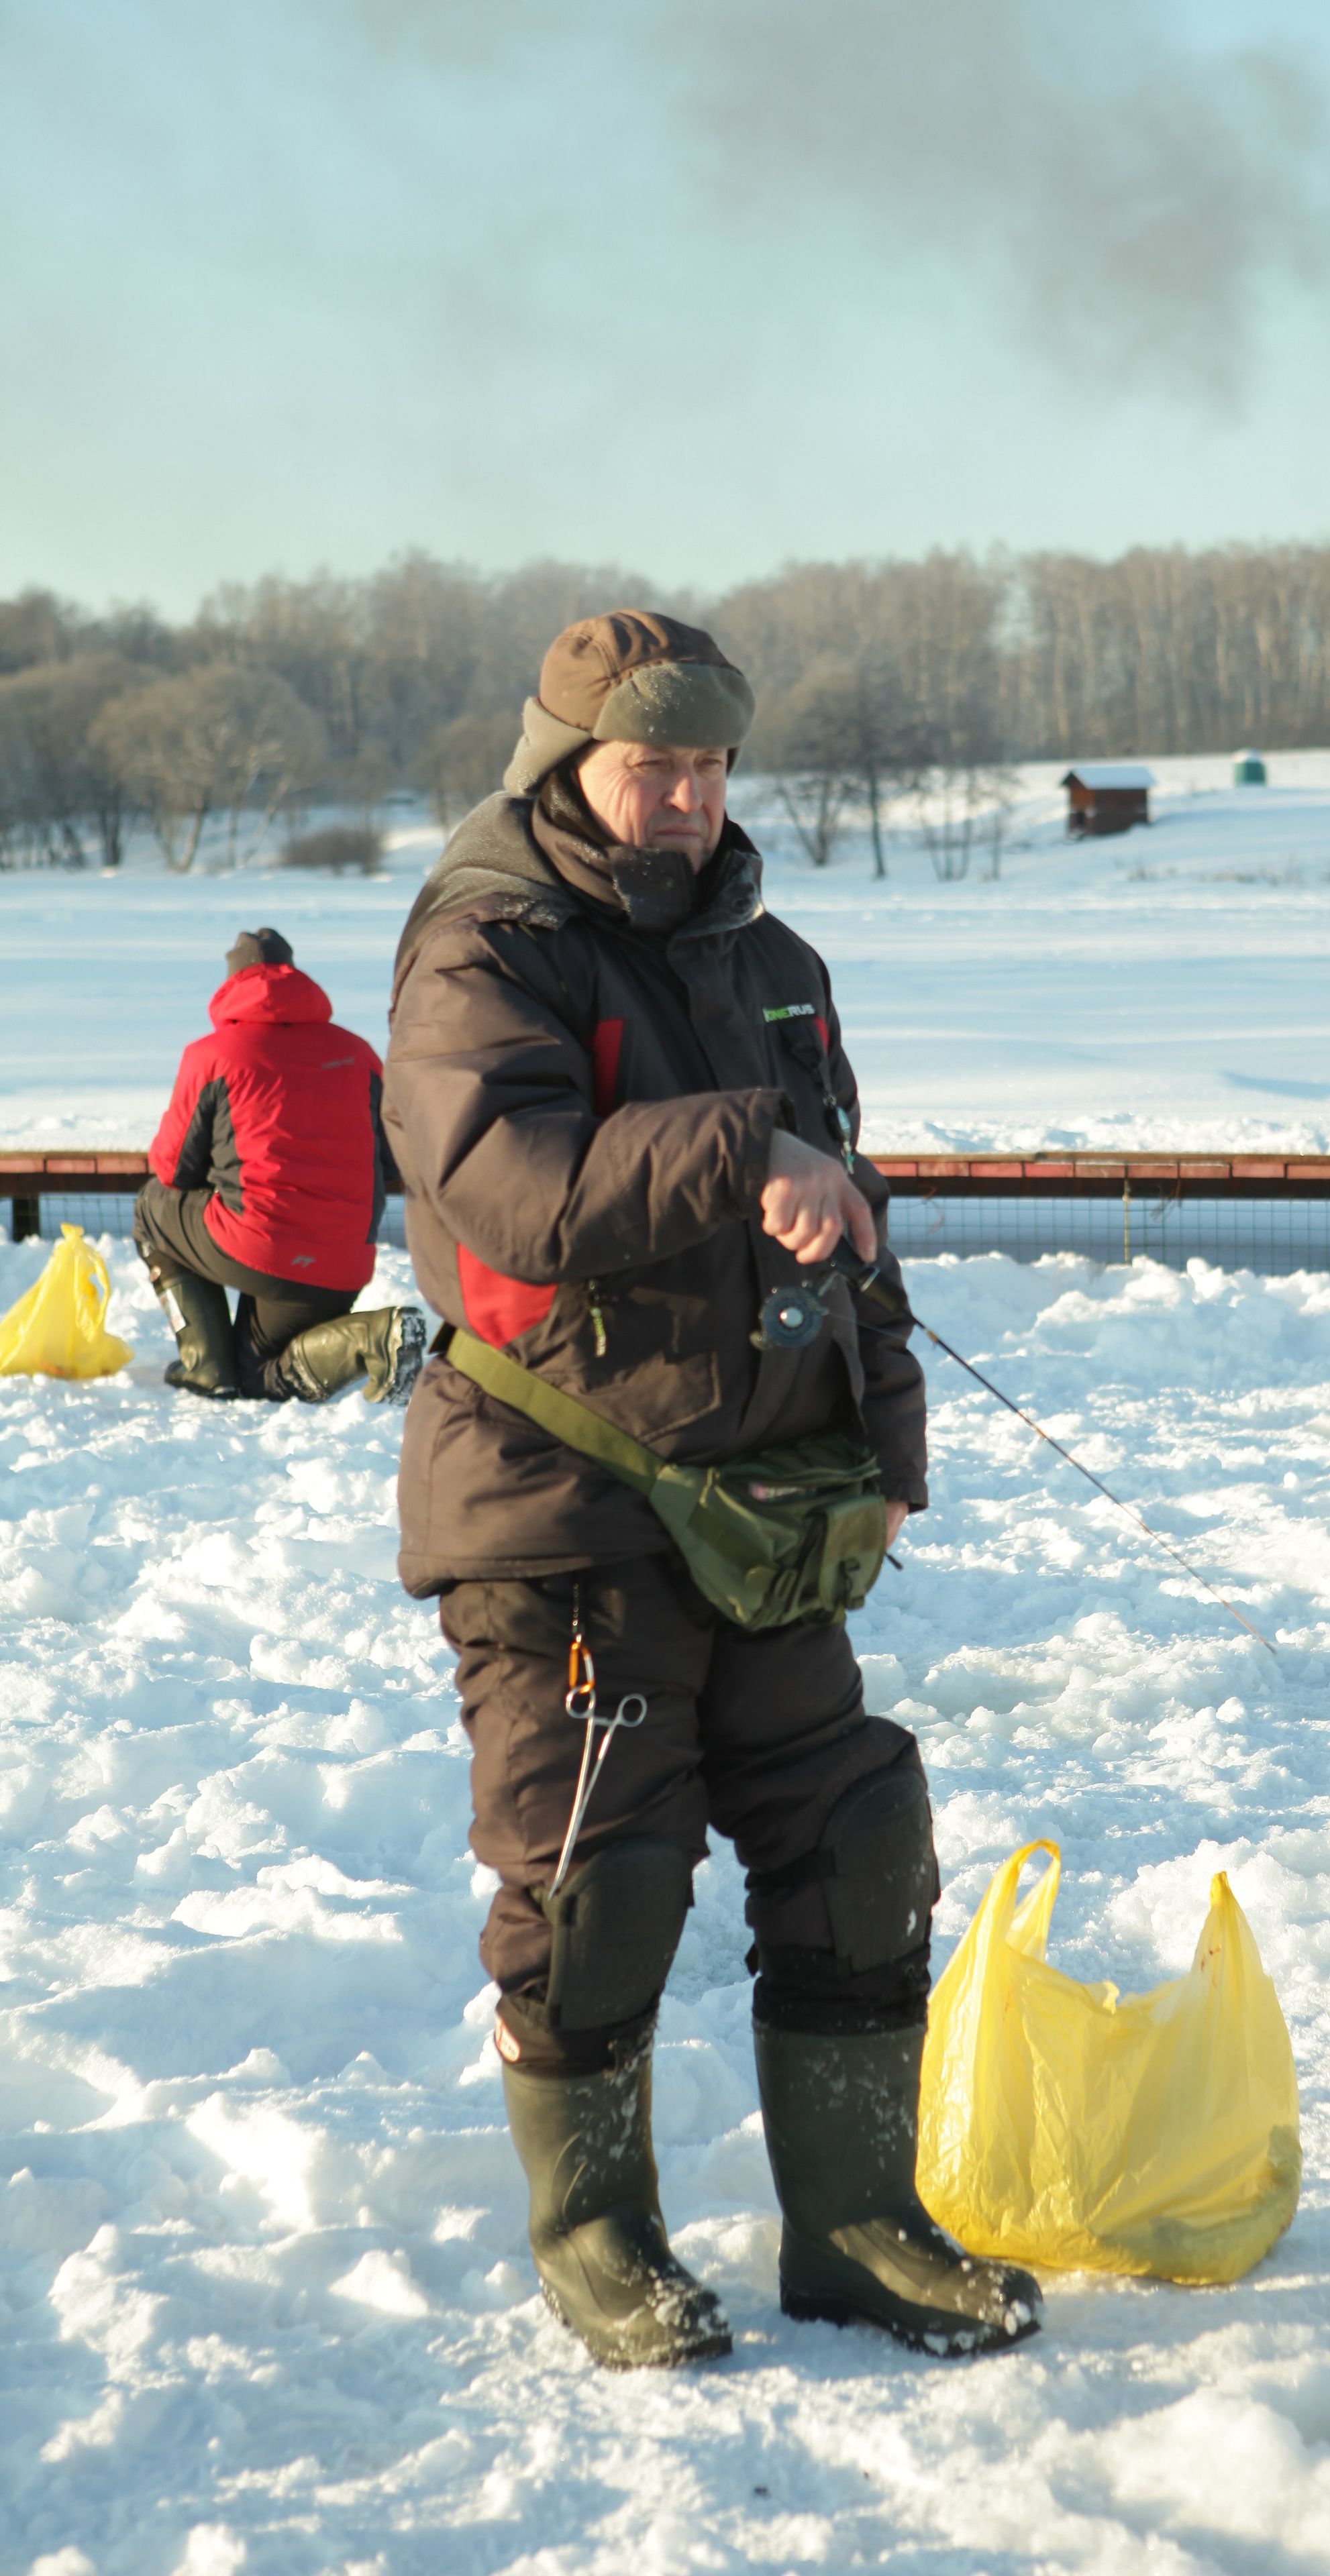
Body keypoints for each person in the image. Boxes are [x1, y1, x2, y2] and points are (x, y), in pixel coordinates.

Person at [385, 611, 1041, 2369]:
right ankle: (600, 2241)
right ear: (565, 764)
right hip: (557, 1501)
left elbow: (850, 1211)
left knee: (853, 1834)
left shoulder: (772, 956)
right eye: (648, 763)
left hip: (757, 1504)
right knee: (598, 1878)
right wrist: (749, 1145)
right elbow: (507, 1186)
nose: (684, 798)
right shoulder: (487, 948)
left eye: (709, 764)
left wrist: (885, 1430)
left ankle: (857, 2229)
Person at [136, 927, 424, 1406]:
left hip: (262, 1246)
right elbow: (391, 1160)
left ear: (231, 985)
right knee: (262, 1375)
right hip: (346, 1256)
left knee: (151, 1208)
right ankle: (375, 1335)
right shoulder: (358, 1054)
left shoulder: (212, 1056)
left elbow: (172, 1172)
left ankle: (206, 1368)